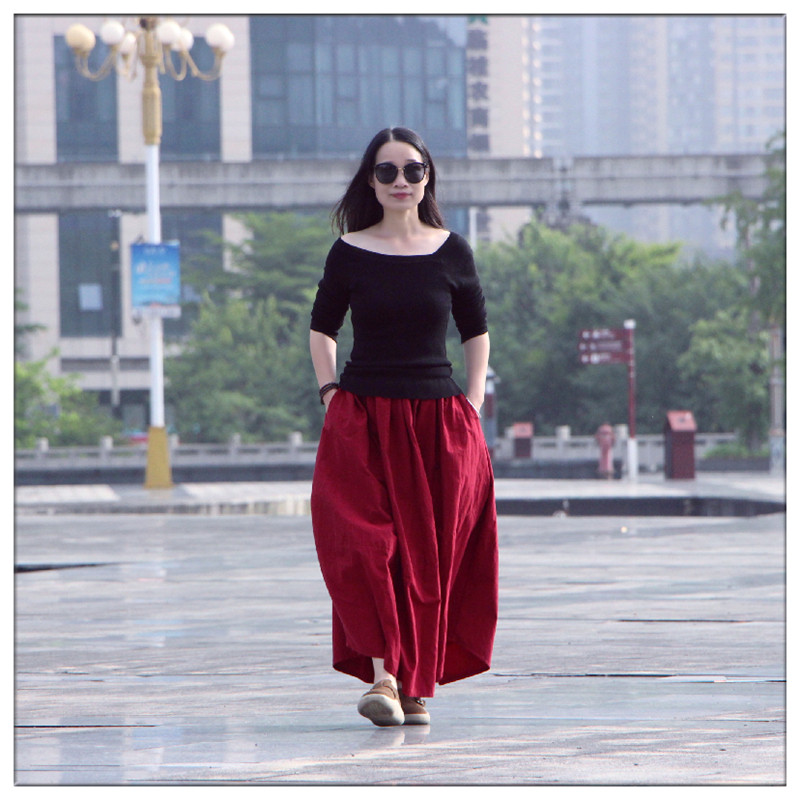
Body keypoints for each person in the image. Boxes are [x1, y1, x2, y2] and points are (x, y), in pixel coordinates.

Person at [309, 127, 498, 728]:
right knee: (368, 547)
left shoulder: (452, 250)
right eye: (387, 171)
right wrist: (330, 392)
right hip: (362, 419)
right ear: (370, 180)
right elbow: (322, 329)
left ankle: (409, 684)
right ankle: (385, 677)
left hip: (438, 424)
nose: (400, 181)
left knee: (425, 558)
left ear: (427, 177)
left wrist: (472, 402)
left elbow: (476, 331)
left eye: (412, 170)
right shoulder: (348, 251)